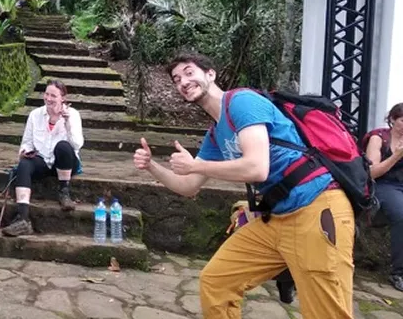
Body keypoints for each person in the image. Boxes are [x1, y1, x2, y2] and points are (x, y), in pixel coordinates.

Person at [133, 52, 354, 319]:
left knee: (325, 312)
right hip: (278, 217)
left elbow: (256, 167)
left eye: (189, 72)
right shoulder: (216, 132)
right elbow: (188, 186)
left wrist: (196, 165)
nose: (183, 81)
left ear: (210, 74)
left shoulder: (241, 101)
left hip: (318, 207)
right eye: (177, 79)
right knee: (217, 283)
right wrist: (152, 167)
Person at [2, 79, 84, 237]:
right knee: (24, 164)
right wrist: (25, 152)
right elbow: (26, 142)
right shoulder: (35, 115)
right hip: (43, 160)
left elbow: (77, 145)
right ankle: (23, 218)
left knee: (63, 146)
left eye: (53, 95)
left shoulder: (73, 115)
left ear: (63, 98)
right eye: (46, 94)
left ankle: (64, 191)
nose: (49, 99)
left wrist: (67, 123)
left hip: (64, 162)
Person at [365, 103, 403, 291]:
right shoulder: (379, 137)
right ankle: (399, 272)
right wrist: (396, 156)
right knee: (401, 214)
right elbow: (371, 172)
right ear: (393, 120)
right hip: (384, 184)